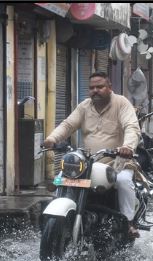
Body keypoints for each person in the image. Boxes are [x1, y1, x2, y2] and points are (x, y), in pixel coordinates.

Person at [43, 72, 142, 238]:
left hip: (117, 162)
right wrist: (52, 138)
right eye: (91, 88)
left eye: (100, 87)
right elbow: (68, 125)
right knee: (61, 178)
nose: (95, 90)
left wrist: (127, 147)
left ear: (109, 88)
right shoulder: (84, 106)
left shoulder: (121, 103)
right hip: (89, 162)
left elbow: (131, 127)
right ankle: (55, 220)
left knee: (124, 181)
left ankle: (129, 222)